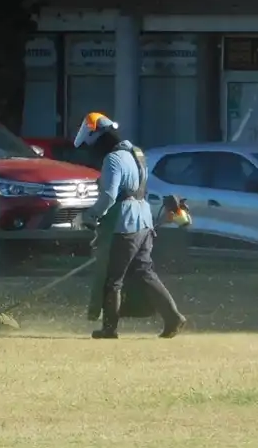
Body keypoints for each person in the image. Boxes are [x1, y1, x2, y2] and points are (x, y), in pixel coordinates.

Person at [74, 112, 186, 339]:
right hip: (144, 222)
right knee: (144, 272)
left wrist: (90, 216)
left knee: (112, 278)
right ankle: (173, 317)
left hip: (123, 226)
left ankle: (109, 329)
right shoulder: (136, 153)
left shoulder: (113, 159)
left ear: (97, 139)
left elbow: (108, 196)